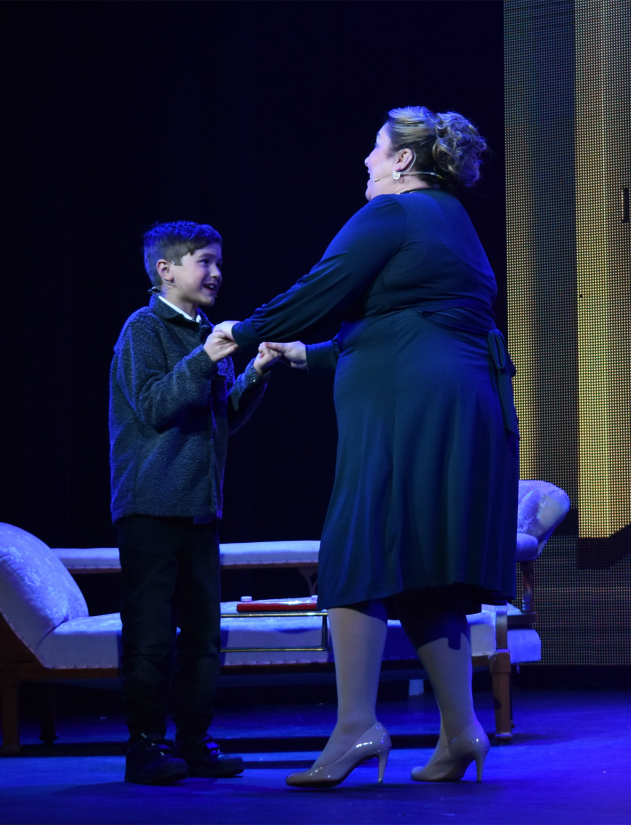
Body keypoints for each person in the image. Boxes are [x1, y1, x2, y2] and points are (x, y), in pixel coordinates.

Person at [217, 106, 519, 788]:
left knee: (358, 547)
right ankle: (462, 729)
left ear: (403, 160)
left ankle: (356, 724)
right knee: (428, 564)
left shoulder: (392, 212)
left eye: (376, 150)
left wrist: (242, 331)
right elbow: (411, 324)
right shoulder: (453, 220)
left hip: (407, 404)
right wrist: (307, 354)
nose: (365, 161)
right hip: (462, 399)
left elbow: (322, 287)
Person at [109, 220, 283, 784]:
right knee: (151, 636)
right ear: (166, 270)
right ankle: (144, 746)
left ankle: (193, 741)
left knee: (203, 637)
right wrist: (204, 359)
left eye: (218, 262)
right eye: (204, 261)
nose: (216, 273)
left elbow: (219, 418)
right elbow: (154, 405)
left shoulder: (208, 333)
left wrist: (254, 374)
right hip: (150, 507)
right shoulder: (143, 329)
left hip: (200, 509)